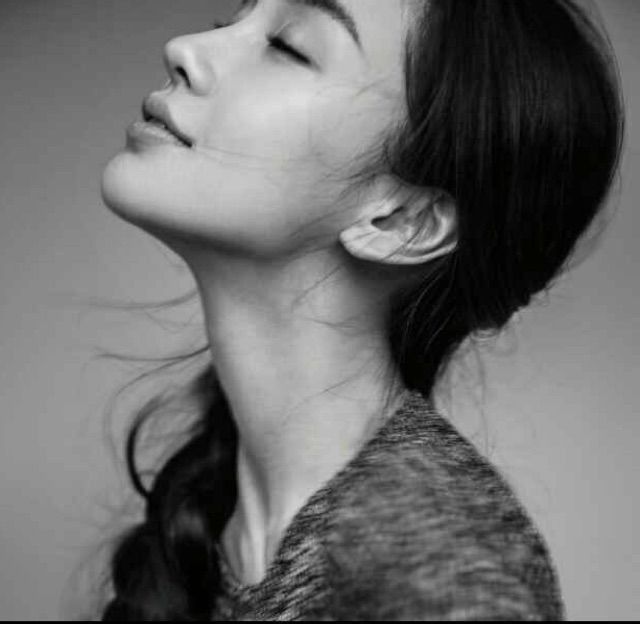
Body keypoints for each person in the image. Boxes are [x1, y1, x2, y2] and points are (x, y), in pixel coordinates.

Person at [96, 0, 624, 620]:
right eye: (229, 21)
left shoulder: (440, 567)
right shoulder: (227, 518)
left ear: (401, 221)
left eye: (288, 46)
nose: (183, 49)